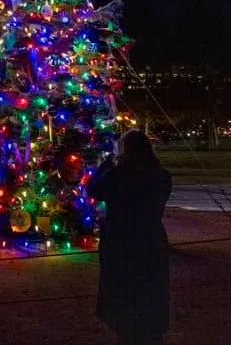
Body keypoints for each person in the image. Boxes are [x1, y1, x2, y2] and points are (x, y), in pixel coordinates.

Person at [88, 130, 172, 345]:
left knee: (124, 291)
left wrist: (107, 164)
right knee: (151, 288)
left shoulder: (119, 175)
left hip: (122, 239)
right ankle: (151, 332)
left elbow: (93, 188)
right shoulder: (161, 175)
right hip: (151, 238)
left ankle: (128, 332)